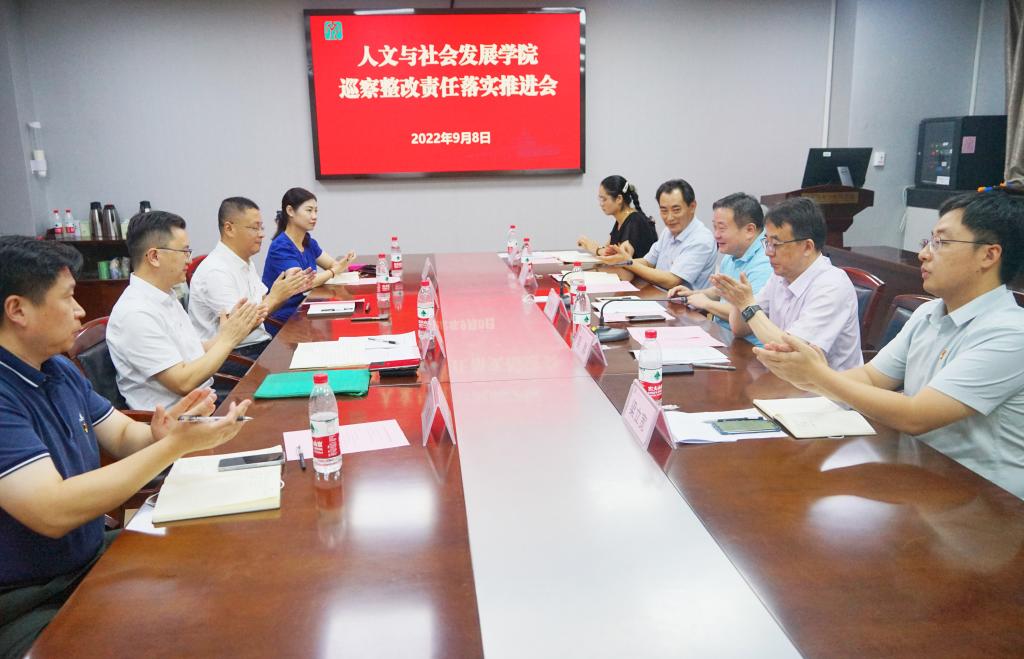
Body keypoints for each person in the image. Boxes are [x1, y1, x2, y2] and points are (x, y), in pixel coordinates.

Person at [0, 237, 251, 657]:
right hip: (27, 598)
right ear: (17, 310)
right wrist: (171, 448)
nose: (80, 310)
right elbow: (51, 511)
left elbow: (121, 436)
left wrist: (166, 433)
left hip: (88, 556)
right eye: (67, 298)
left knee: (223, 565)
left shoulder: (57, 368)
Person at [755, 190, 1024, 499]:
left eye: (941, 243)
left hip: (986, 499)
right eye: (928, 241)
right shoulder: (928, 313)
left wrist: (819, 376)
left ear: (989, 255)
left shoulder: (1011, 334)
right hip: (921, 473)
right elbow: (872, 377)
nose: (924, 254)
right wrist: (802, 379)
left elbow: (916, 416)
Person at [108, 211, 263, 410]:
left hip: (204, 403)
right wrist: (229, 339)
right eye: (184, 251)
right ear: (154, 256)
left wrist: (226, 333)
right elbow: (183, 382)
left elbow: (191, 351)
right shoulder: (135, 313)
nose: (189, 260)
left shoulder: (165, 296)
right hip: (180, 420)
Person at [712, 197, 862, 370]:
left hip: (823, 385)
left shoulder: (832, 286)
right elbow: (740, 329)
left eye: (776, 244)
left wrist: (747, 304)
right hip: (786, 377)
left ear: (807, 247)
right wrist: (738, 301)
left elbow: (791, 353)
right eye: (767, 243)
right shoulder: (780, 276)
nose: (768, 252)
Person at [188, 197, 314, 372]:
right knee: (305, 371)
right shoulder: (216, 270)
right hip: (232, 357)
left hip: (257, 346)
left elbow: (263, 305)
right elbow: (239, 328)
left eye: (261, 228)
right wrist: (275, 296)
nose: (261, 234)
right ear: (229, 228)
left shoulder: (245, 261)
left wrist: (285, 292)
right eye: (255, 228)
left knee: (314, 354)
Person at [667, 192, 772, 341]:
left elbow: (750, 312)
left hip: (749, 347)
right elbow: (723, 292)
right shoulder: (732, 252)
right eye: (714, 227)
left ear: (749, 230)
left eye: (722, 229)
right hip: (723, 336)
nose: (716, 235)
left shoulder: (766, 262)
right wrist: (694, 294)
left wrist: (706, 304)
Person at [261, 187, 356, 332]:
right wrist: (333, 271)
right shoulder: (280, 246)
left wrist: (343, 263)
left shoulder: (308, 241)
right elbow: (303, 283)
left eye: (316, 211)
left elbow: (332, 264)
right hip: (283, 321)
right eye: (309, 210)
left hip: (304, 311)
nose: (314, 216)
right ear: (290, 211)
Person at [603, 178, 717, 290]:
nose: (670, 218)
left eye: (676, 210)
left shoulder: (701, 239)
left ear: (692, 207)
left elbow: (672, 281)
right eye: (664, 210)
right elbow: (648, 262)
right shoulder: (668, 231)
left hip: (682, 302)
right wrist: (619, 260)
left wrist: (629, 262)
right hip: (658, 295)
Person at [577, 175, 658, 261]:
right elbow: (607, 250)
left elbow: (622, 259)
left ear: (619, 199)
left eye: (604, 199)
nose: (601, 204)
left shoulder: (635, 221)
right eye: (600, 199)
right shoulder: (621, 221)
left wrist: (593, 247)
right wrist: (596, 248)